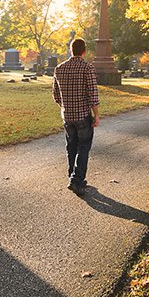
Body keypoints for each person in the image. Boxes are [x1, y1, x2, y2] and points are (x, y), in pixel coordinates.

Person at [52, 37, 100, 195]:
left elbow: (56, 95)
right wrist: (96, 115)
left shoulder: (59, 68)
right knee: (84, 147)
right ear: (84, 51)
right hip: (82, 115)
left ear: (71, 50)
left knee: (71, 146)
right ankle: (76, 180)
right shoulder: (87, 68)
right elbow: (92, 94)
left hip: (67, 116)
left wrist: (65, 107)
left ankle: (73, 176)